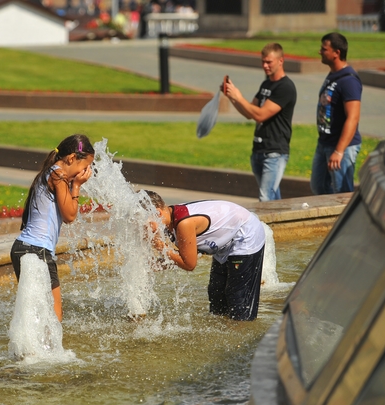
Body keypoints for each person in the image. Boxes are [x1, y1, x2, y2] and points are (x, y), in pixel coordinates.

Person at [10, 134, 95, 322]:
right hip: (37, 250)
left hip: (22, 248)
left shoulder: (51, 172)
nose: (86, 172)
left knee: (35, 312)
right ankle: (47, 350)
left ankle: (28, 349)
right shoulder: (59, 175)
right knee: (54, 316)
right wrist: (77, 187)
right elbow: (70, 215)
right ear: (72, 158)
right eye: (85, 166)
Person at [145, 190, 265, 321]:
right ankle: (223, 332)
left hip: (245, 235)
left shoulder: (184, 223)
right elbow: (177, 257)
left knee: (237, 297)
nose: (142, 227)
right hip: (225, 241)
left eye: (143, 222)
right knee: (216, 293)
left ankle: (244, 335)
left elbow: (189, 264)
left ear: (157, 213)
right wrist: (151, 266)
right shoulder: (168, 220)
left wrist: (161, 246)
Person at [223, 43, 297, 202]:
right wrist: (232, 97)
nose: (265, 66)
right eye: (263, 61)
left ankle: (266, 228)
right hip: (258, 150)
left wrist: (238, 97)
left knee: (265, 198)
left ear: (281, 61)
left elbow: (261, 115)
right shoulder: (266, 84)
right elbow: (250, 112)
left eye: (269, 62)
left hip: (274, 152)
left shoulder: (286, 87)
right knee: (273, 199)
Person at [312, 32, 362, 195]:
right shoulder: (334, 75)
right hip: (325, 143)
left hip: (342, 147)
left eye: (324, 49)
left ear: (336, 53)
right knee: (319, 187)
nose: (320, 51)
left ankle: (343, 221)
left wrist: (339, 151)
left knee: (342, 195)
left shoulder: (349, 81)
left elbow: (353, 118)